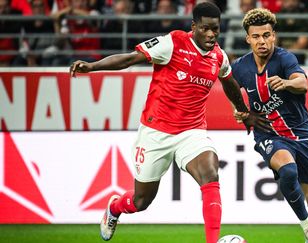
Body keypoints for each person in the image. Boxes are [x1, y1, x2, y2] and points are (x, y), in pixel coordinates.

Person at [69, 2, 253, 243]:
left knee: (210, 173)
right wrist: (92, 66)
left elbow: (228, 82)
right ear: (194, 26)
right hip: (156, 132)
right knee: (141, 201)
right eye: (205, 29)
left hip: (192, 131)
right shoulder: (173, 42)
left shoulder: (218, 56)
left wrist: (243, 110)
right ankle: (114, 208)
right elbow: (129, 59)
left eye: (215, 29)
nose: (211, 35)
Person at [231, 8, 308, 243]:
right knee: (288, 170)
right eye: (256, 36)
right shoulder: (241, 67)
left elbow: (303, 83)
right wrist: (241, 112)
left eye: (266, 35)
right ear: (248, 39)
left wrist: (286, 82)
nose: (261, 41)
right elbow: (230, 89)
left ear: (274, 35)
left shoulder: (285, 59)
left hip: (302, 135)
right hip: (269, 134)